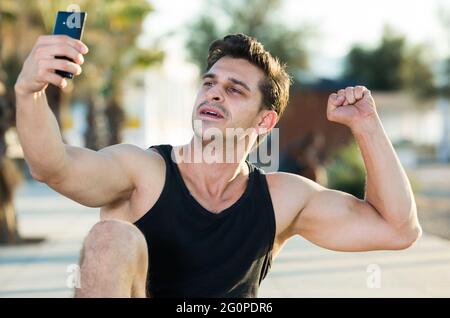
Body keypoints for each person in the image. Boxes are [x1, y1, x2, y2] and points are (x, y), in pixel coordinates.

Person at [14, 33, 421, 298]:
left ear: (264, 121)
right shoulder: (142, 171)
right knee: (110, 239)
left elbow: (397, 228)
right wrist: (29, 92)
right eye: (209, 83)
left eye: (234, 89)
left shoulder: (282, 199)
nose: (213, 93)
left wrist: (366, 126)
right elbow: (55, 166)